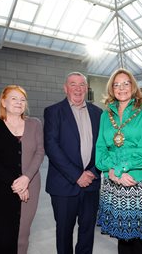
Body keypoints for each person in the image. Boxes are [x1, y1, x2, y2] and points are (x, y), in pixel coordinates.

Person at [95, 68, 142, 254]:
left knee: (139, 240)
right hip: (114, 181)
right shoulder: (105, 115)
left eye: (126, 83)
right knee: (122, 237)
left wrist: (119, 169)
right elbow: (101, 150)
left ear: (133, 86)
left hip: (139, 180)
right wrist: (110, 170)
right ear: (111, 89)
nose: (122, 88)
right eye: (116, 84)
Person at [0, 85, 45, 254]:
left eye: (22, 99)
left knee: (22, 237)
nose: (19, 102)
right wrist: (17, 184)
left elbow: (39, 152)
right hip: (2, 189)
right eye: (14, 98)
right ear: (3, 102)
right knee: (4, 240)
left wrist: (26, 179)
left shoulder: (35, 124)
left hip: (31, 187)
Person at [43, 72, 102, 254]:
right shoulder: (53, 112)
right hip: (64, 186)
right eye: (73, 84)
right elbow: (51, 146)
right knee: (64, 233)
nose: (78, 88)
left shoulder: (98, 113)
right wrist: (77, 175)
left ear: (87, 88)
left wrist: (92, 171)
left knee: (87, 233)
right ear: (65, 88)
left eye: (82, 85)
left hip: (91, 184)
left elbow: (103, 146)